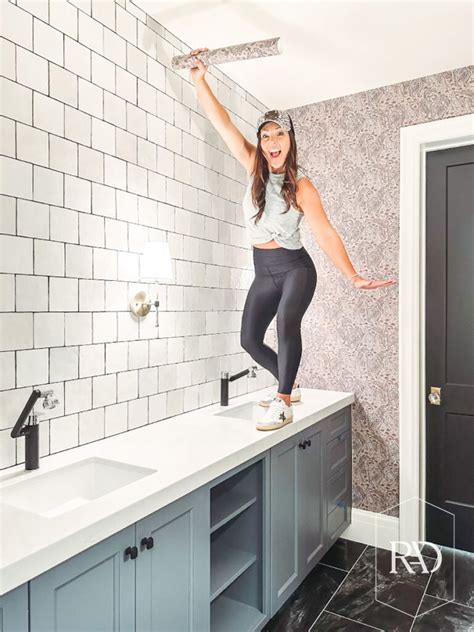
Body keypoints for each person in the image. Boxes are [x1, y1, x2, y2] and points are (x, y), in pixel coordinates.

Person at [189, 48, 396, 431]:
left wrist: (353, 276)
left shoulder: (302, 187)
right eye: (265, 136)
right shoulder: (253, 166)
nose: (272, 142)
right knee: (250, 339)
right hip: (263, 270)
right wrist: (200, 80)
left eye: (279, 135)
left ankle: (282, 401)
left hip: (295, 268)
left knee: (286, 322)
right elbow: (222, 124)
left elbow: (324, 231)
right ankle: (290, 382)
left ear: (289, 139)